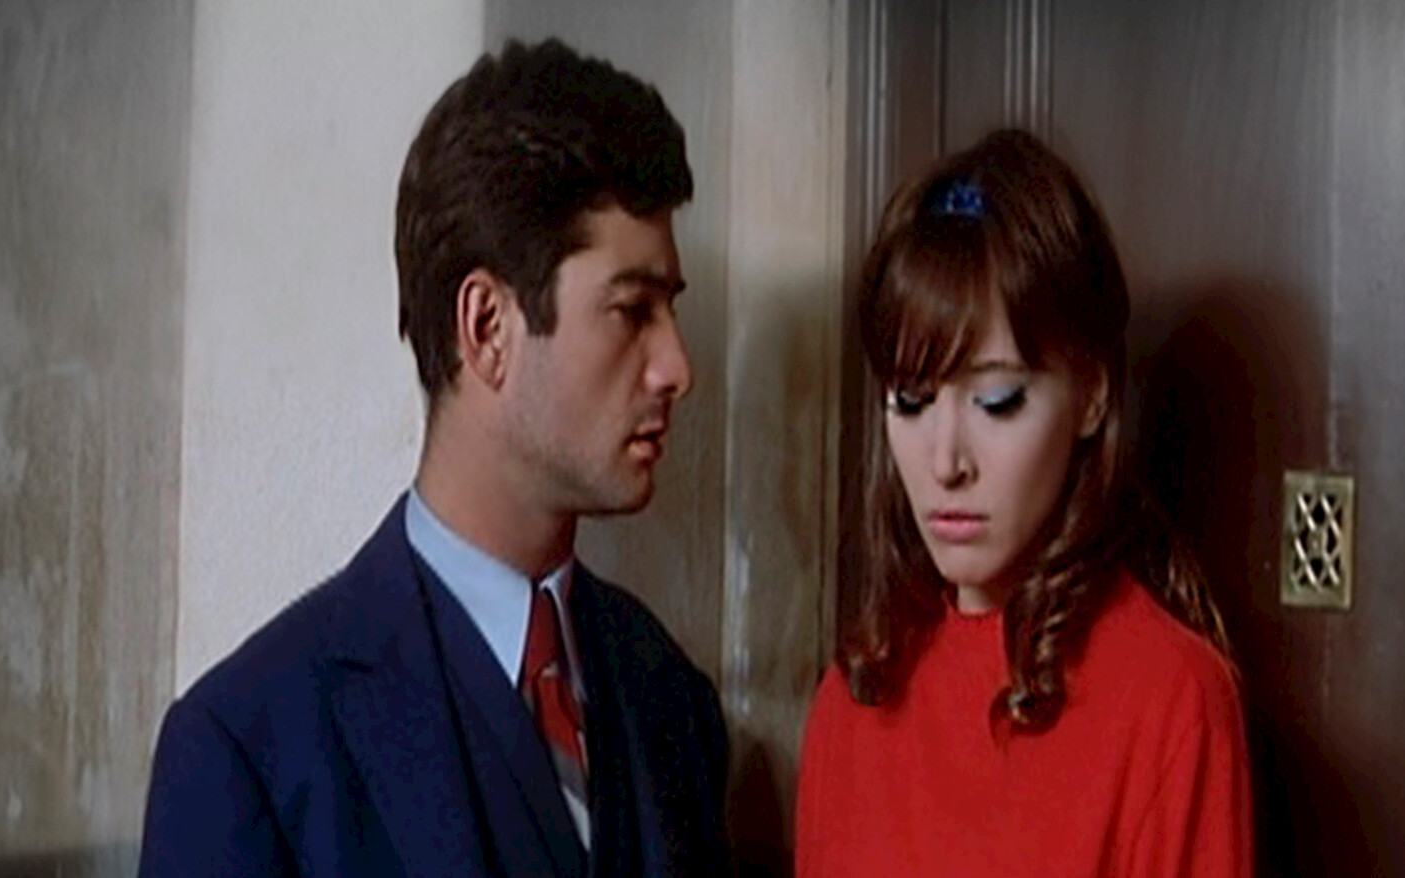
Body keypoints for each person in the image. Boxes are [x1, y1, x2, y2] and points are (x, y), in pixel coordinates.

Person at [140, 39, 731, 877]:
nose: (677, 367)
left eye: (670, 311)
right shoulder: (249, 749)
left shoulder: (671, 697)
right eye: (632, 310)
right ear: (487, 328)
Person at [795, 129, 1251, 876]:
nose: (946, 462)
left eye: (998, 400)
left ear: (1093, 394)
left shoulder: (1172, 701)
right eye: (911, 401)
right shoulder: (852, 700)